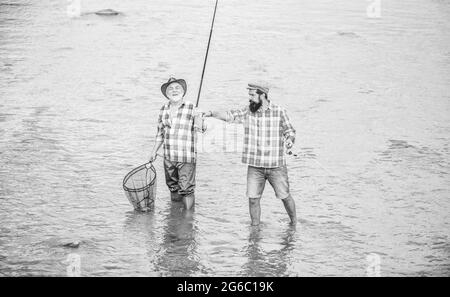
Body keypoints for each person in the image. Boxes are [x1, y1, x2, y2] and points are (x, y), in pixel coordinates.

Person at [204, 82, 297, 225]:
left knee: (284, 196)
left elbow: (289, 131)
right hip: (255, 166)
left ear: (263, 95)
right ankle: (255, 229)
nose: (250, 98)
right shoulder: (248, 111)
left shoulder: (279, 111)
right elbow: (230, 115)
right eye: (249, 95)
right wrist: (211, 113)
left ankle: (294, 223)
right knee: (253, 199)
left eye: (252, 95)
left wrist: (290, 140)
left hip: (276, 166)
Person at [149, 77, 206, 210]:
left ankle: (187, 218)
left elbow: (202, 128)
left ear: (183, 91)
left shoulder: (192, 107)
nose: (174, 91)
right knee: (173, 187)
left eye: (177, 88)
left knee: (186, 189)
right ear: (166, 93)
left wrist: (200, 119)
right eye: (171, 89)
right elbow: (160, 134)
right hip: (168, 157)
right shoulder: (163, 109)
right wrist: (153, 152)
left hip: (186, 157)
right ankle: (175, 215)